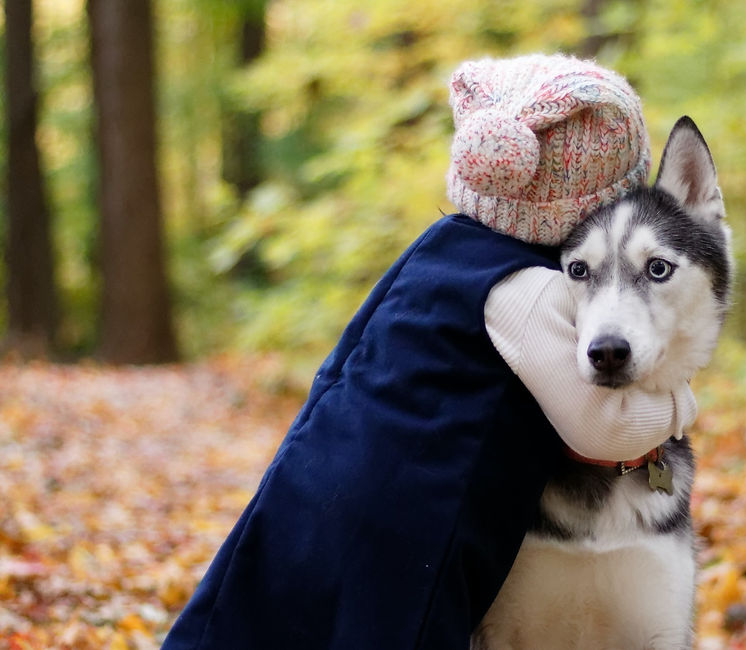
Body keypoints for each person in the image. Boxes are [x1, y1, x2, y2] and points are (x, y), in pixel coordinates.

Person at [161, 53, 696, 650]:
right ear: (599, 203)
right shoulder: (530, 290)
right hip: (412, 517)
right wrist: (679, 403)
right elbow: (604, 431)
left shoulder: (436, 247)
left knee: (280, 623)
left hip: (316, 479)